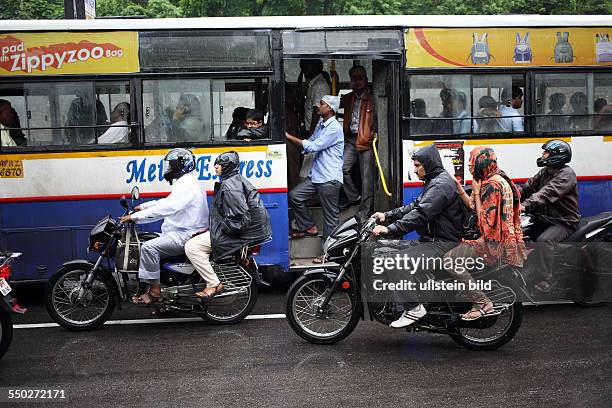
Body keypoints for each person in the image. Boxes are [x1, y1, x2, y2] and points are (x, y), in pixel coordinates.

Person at [371, 144, 465, 328]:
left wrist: (390, 229)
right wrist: (387, 215)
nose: (414, 170)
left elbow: (421, 214)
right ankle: (401, 304)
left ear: (428, 164)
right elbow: (415, 205)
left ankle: (414, 308)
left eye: (417, 166)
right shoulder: (436, 181)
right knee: (387, 251)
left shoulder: (440, 185)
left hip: (441, 243)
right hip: (432, 239)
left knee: (397, 262)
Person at [445, 147, 525, 320]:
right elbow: (474, 207)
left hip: (493, 242)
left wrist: (476, 191)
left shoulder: (492, 186)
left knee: (450, 260)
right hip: (503, 238)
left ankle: (482, 302)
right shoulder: (499, 176)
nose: (469, 167)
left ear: (481, 162)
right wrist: (459, 186)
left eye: (472, 163)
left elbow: (484, 222)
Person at [120, 148, 208, 304]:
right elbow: (169, 202)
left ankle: (155, 290)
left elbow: (167, 208)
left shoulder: (187, 184)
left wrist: (134, 217)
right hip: (182, 232)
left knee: (149, 247)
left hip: (185, 234)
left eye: (171, 165)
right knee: (147, 241)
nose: (168, 169)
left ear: (182, 165)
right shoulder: (187, 181)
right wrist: (145, 207)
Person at [185, 151, 271, 298]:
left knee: (192, 247)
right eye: (216, 163)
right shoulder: (232, 180)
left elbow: (240, 218)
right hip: (246, 230)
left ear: (228, 166)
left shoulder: (230, 186)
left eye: (220, 163)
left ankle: (213, 284)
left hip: (242, 232)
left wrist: (220, 228)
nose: (215, 166)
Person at [286, 95, 343, 264]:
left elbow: (313, 146)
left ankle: (329, 253)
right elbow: (309, 143)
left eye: (322, 104)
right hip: (318, 176)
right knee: (295, 196)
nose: (319, 106)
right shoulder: (321, 123)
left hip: (329, 179)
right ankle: (308, 226)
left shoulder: (334, 128)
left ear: (330, 109)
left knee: (331, 219)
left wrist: (288, 136)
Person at [519, 140, 580, 291]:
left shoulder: (566, 174)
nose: (542, 155)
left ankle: (547, 277)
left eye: (545, 152)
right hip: (545, 219)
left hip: (563, 221)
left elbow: (546, 194)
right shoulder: (545, 171)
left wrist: (524, 205)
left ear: (556, 156)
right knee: (520, 233)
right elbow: (527, 188)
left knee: (543, 242)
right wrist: (510, 196)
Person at [341, 65, 377, 221]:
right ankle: (354, 197)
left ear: (366, 79)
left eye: (360, 78)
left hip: (366, 141)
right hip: (351, 139)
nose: (358, 81)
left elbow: (379, 120)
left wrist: (373, 133)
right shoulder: (349, 98)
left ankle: (365, 213)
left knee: (367, 179)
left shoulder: (373, 98)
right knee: (341, 168)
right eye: (354, 79)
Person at [299, 59, 331, 179]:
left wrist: (311, 133)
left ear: (315, 68)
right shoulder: (313, 84)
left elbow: (317, 112)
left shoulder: (319, 85)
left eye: (305, 67)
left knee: (310, 166)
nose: (304, 71)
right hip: (311, 129)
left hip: (315, 131)